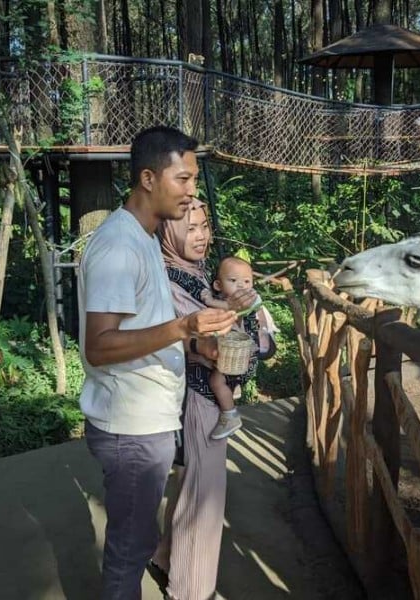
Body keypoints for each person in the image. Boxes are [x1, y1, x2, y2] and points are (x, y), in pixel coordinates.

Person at [77, 126, 238, 600]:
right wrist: (184, 329)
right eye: (182, 179)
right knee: (130, 552)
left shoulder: (145, 238)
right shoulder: (118, 247)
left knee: (139, 539)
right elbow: (100, 346)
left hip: (147, 420)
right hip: (130, 427)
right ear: (148, 178)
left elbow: (142, 327)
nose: (192, 192)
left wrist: (193, 348)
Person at [153, 199, 277, 600]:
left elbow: (262, 344)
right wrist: (243, 319)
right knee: (204, 498)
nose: (202, 235)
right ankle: (189, 589)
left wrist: (249, 315)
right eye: (190, 228)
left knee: (193, 488)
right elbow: (216, 347)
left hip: (207, 397)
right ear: (168, 230)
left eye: (205, 226)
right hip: (198, 399)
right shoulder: (169, 280)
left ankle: (165, 558)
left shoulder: (200, 274)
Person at [200, 256, 265, 440]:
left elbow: (230, 309)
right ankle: (233, 390)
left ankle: (230, 414)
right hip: (225, 350)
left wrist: (210, 301)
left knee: (215, 381)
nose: (242, 286)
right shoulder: (225, 298)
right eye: (233, 281)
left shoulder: (249, 299)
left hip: (237, 353)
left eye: (247, 281)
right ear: (218, 285)